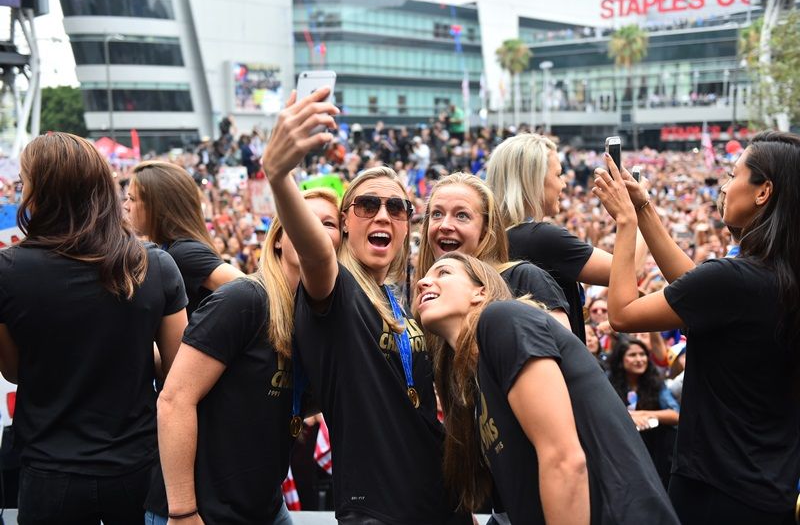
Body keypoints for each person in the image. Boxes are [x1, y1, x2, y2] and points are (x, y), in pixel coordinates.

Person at [264, 87, 468, 524]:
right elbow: (316, 252)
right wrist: (279, 174)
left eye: (396, 207)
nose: (382, 215)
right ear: (343, 223)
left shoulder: (403, 301)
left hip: (439, 501)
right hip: (376, 509)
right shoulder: (334, 290)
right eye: (367, 205)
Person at [592, 131, 800, 524]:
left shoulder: (734, 279)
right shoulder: (777, 278)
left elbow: (622, 313)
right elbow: (697, 288)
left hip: (714, 487)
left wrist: (625, 223)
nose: (724, 186)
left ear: (763, 192)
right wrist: (645, 208)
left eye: (733, 174)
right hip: (771, 489)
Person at [0, 132, 187, 524]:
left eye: (23, 183)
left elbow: (13, 370)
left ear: (40, 193)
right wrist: (131, 346)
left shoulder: (8, 272)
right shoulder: (155, 265)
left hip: (49, 470)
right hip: (136, 466)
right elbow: (178, 375)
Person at [415, 252, 679, 525]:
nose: (423, 282)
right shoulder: (480, 384)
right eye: (423, 277)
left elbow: (564, 460)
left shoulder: (502, 319)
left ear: (480, 292)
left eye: (443, 273)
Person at [153, 189, 342, 524]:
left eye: (327, 223)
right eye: (301, 219)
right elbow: (174, 399)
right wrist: (183, 511)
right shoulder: (245, 299)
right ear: (279, 239)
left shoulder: (314, 320)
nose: (311, 229)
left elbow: (282, 392)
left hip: (264, 507)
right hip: (202, 511)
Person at [486, 133, 647, 343]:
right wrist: (639, 209)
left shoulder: (494, 238)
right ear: (534, 181)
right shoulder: (541, 238)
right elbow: (629, 270)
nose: (563, 185)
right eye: (558, 175)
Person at [416, 172, 570, 330]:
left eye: (462, 215)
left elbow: (564, 350)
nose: (445, 225)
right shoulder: (425, 294)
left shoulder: (523, 279)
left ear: (485, 229)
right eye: (437, 214)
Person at [124, 160, 244, 316]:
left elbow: (252, 290)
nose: (126, 205)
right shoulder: (168, 249)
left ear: (158, 206)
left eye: (132, 199)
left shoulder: (184, 252)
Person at [607, 336, 680, 487]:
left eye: (642, 354)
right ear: (621, 360)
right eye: (633, 355)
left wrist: (644, 414)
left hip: (653, 448)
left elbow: (676, 415)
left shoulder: (655, 382)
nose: (640, 359)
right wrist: (628, 417)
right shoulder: (607, 382)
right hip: (620, 449)